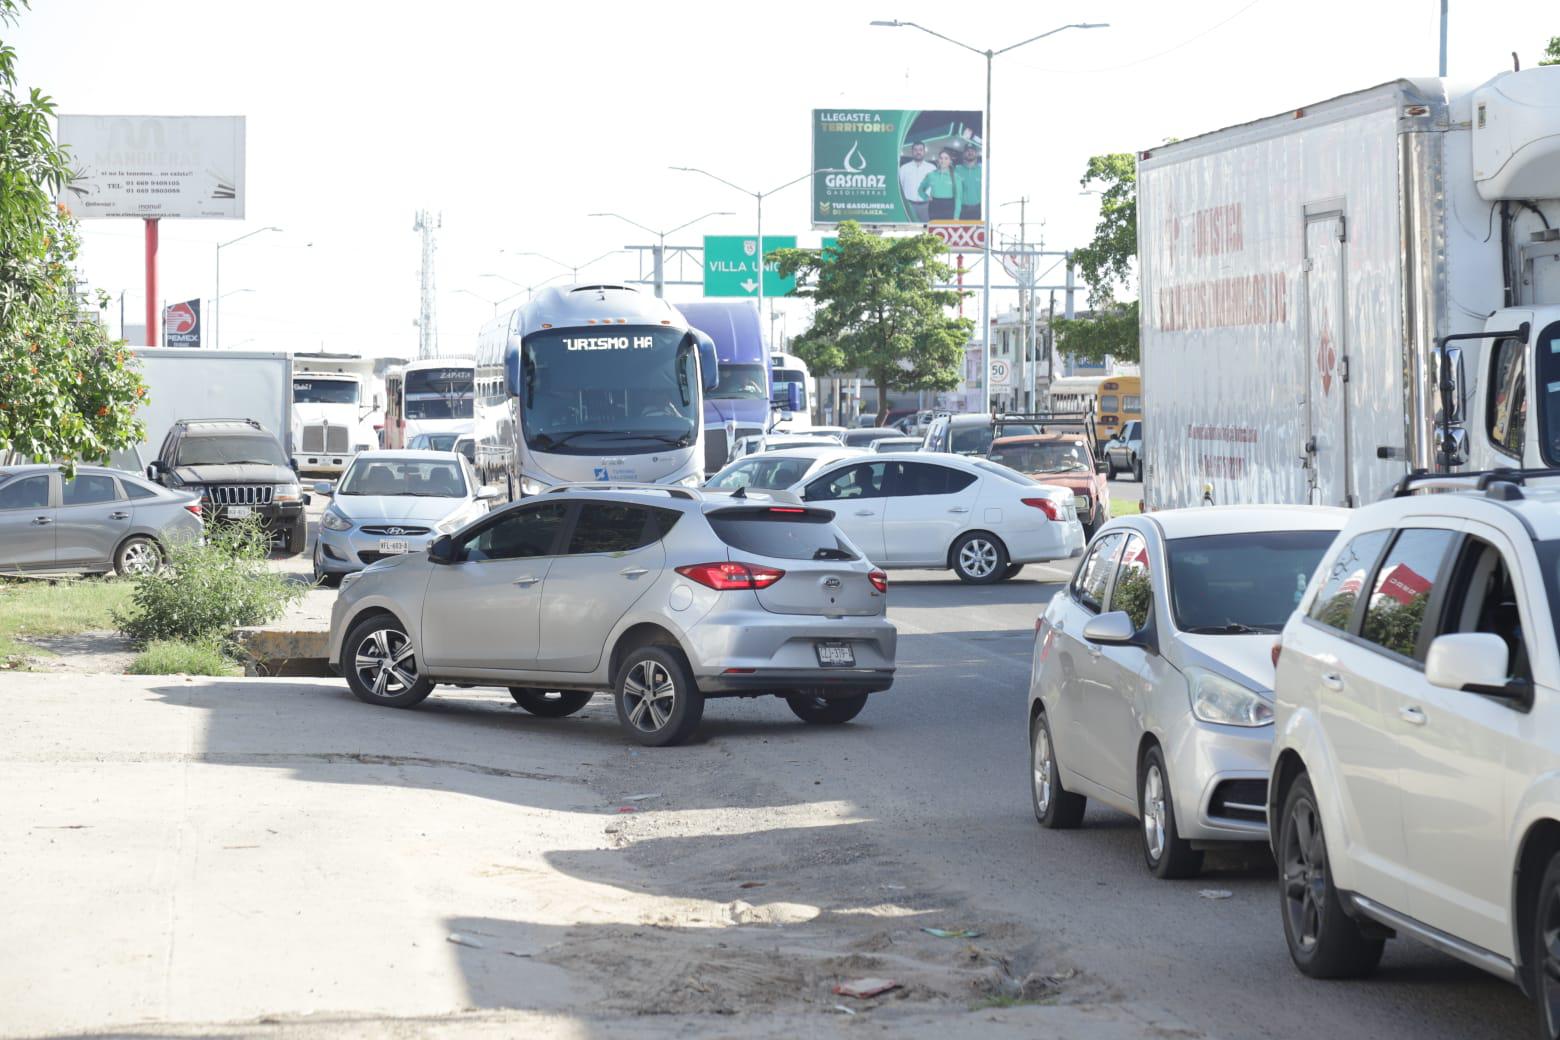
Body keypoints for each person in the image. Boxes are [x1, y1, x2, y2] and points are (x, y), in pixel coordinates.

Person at [918, 149, 962, 221]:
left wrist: (956, 217)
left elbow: (958, 198)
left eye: (946, 158)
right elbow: (920, 190)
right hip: (934, 208)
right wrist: (926, 197)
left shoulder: (955, 177)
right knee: (934, 231)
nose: (943, 161)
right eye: (941, 158)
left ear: (950, 161)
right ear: (938, 160)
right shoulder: (931, 175)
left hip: (949, 208)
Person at [898, 142, 936, 223]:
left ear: (924, 152)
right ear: (912, 152)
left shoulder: (932, 168)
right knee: (908, 229)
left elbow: (936, 186)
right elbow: (899, 187)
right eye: (915, 150)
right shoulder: (904, 168)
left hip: (926, 206)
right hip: (908, 206)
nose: (918, 152)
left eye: (920, 150)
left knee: (926, 230)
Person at [956, 148, 982, 220]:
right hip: (962, 209)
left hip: (978, 209)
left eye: (972, 151)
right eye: (967, 151)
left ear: (976, 154)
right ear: (963, 154)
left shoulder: (981, 170)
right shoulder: (957, 170)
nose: (970, 153)